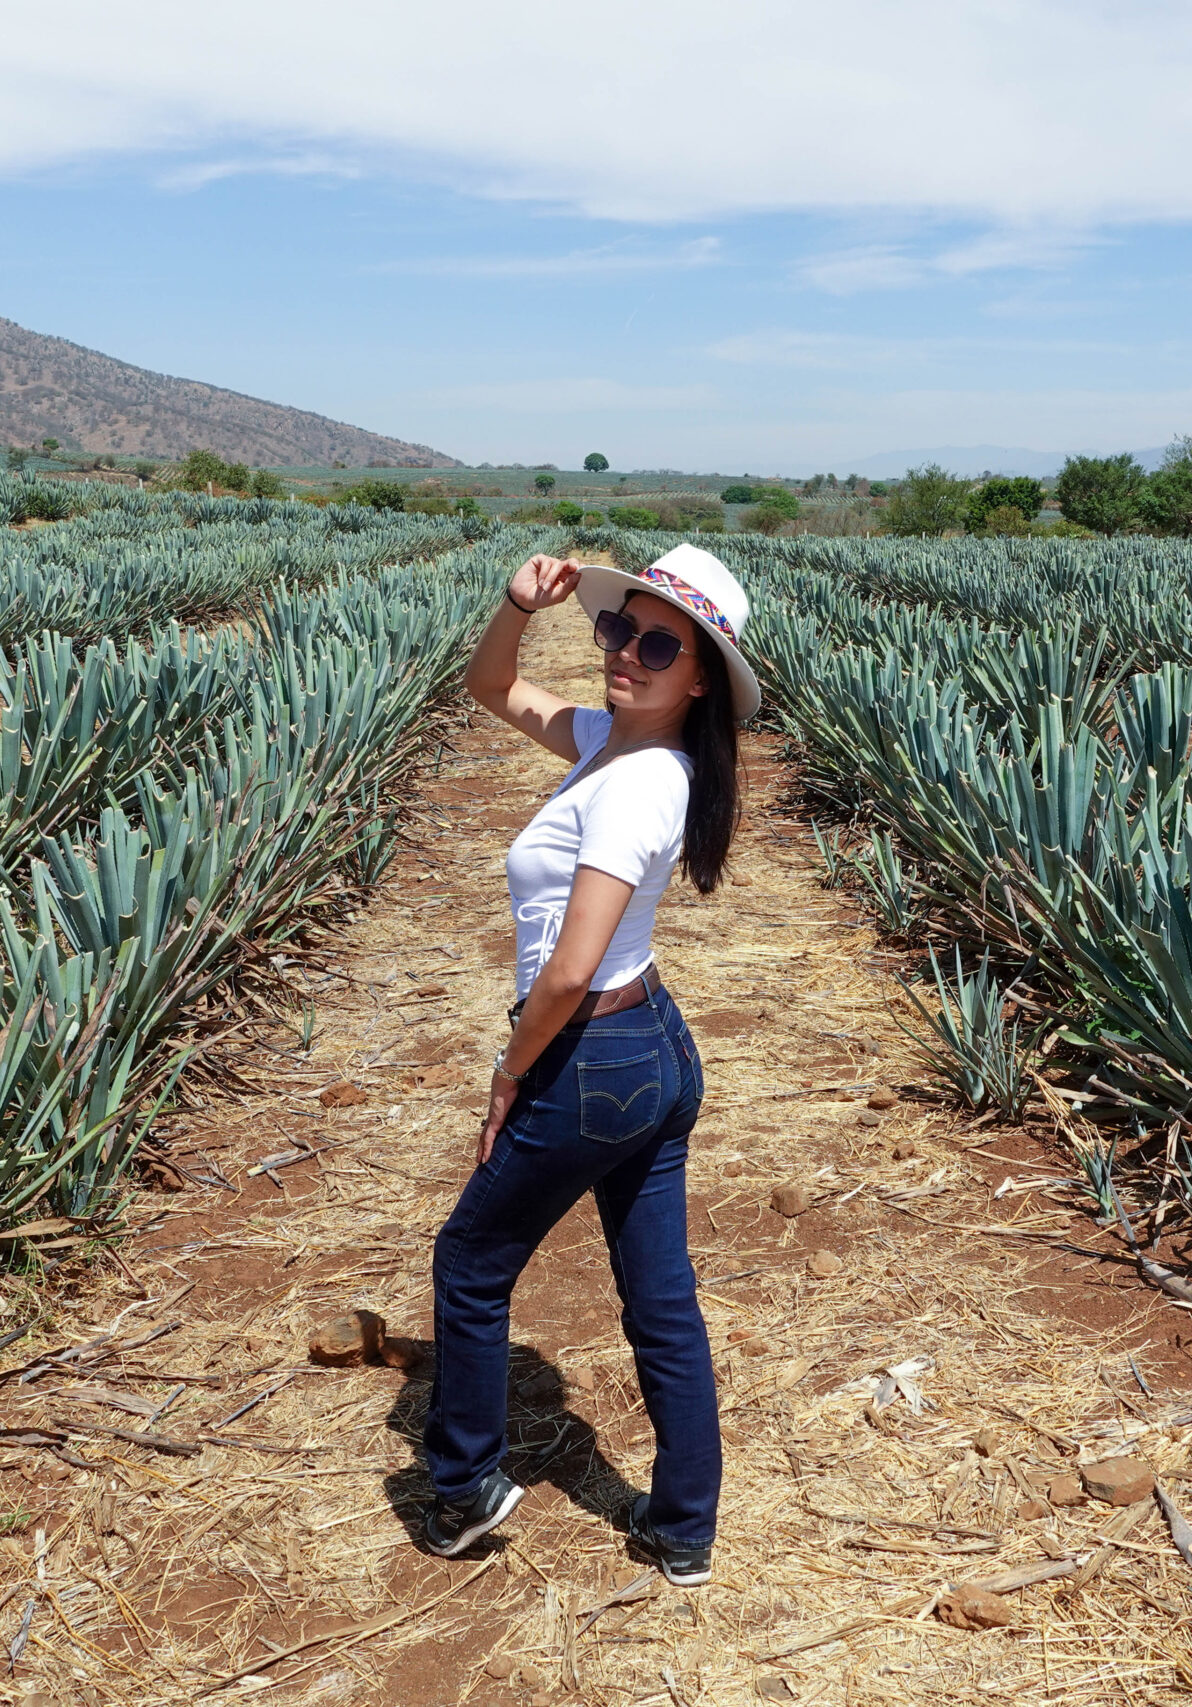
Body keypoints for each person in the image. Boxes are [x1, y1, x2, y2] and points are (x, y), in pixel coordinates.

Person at [418, 542, 760, 1589]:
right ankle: (683, 1529)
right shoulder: (608, 740)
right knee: (659, 1296)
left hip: (588, 1053)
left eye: (658, 643)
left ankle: (465, 1481)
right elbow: (492, 689)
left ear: (698, 674)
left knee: (469, 1263)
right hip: (650, 1043)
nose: (626, 652)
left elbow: (567, 970)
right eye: (618, 628)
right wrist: (515, 609)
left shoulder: (639, 784)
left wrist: (509, 1072)